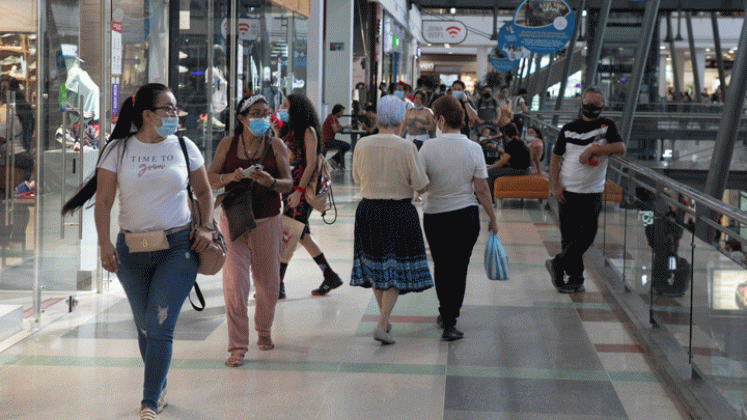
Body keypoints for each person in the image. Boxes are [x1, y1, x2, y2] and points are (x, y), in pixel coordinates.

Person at [62, 83, 215, 420]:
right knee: (145, 326)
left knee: (160, 326)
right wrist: (103, 242)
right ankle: (158, 383)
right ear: (147, 115)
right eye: (169, 109)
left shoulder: (184, 147)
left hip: (177, 248)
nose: (176, 115)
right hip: (131, 251)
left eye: (176, 109)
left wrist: (205, 225)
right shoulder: (118, 150)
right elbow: (103, 201)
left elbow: (204, 192)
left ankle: (148, 402)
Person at [207, 94, 293, 366]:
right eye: (256, 113)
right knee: (235, 284)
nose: (263, 118)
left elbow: (288, 183)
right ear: (242, 118)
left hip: (267, 219)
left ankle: (264, 330)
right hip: (233, 217)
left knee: (268, 284)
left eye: (266, 113)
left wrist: (271, 181)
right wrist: (229, 177)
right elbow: (209, 179)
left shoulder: (275, 144)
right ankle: (237, 346)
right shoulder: (227, 144)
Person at [351, 95, 432, 345]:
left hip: (368, 211)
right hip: (399, 213)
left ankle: (384, 320)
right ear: (400, 120)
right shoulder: (406, 147)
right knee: (395, 269)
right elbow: (421, 185)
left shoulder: (362, 144)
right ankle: (381, 324)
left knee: (377, 267)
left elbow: (356, 179)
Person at [419, 95, 499, 341]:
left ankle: (446, 314)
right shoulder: (474, 149)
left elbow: (420, 186)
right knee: (459, 268)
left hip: (436, 217)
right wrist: (493, 219)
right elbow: (482, 190)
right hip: (466, 217)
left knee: (442, 267)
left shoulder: (427, 148)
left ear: (440, 120)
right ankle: (451, 319)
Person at [546, 86, 626, 293]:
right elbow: (555, 159)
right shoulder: (568, 128)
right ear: (581, 105)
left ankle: (557, 263)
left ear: (603, 106)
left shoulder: (607, 126)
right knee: (569, 237)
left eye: (595, 105)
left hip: (592, 192)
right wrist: (555, 186)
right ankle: (575, 278)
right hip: (567, 190)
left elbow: (620, 148)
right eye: (587, 104)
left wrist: (594, 149)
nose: (590, 108)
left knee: (587, 236)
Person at [277, 93, 344, 297]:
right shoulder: (287, 130)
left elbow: (311, 163)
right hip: (289, 189)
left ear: (296, 108)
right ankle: (329, 275)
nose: (282, 108)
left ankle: (278, 285)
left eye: (286, 106)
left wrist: (299, 192)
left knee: (288, 235)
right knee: (301, 235)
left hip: (301, 191)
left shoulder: (308, 131)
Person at [0, 76, 34, 183]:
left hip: (12, 158)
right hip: (23, 157)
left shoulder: (6, 110)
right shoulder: (22, 107)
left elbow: (1, 137)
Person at [486, 123, 531, 197]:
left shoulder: (512, 144)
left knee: (489, 172)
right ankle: (493, 194)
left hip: (520, 171)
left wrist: (490, 167)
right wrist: (493, 166)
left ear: (506, 134)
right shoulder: (520, 141)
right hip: (525, 170)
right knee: (495, 169)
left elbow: (502, 161)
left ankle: (490, 197)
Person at [321, 104, 351, 169]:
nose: (342, 114)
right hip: (327, 141)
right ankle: (333, 160)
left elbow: (339, 127)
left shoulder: (334, 118)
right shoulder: (332, 118)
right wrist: (343, 128)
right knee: (347, 146)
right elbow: (335, 130)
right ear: (337, 112)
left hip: (329, 140)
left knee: (345, 146)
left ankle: (334, 160)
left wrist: (345, 127)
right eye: (341, 112)